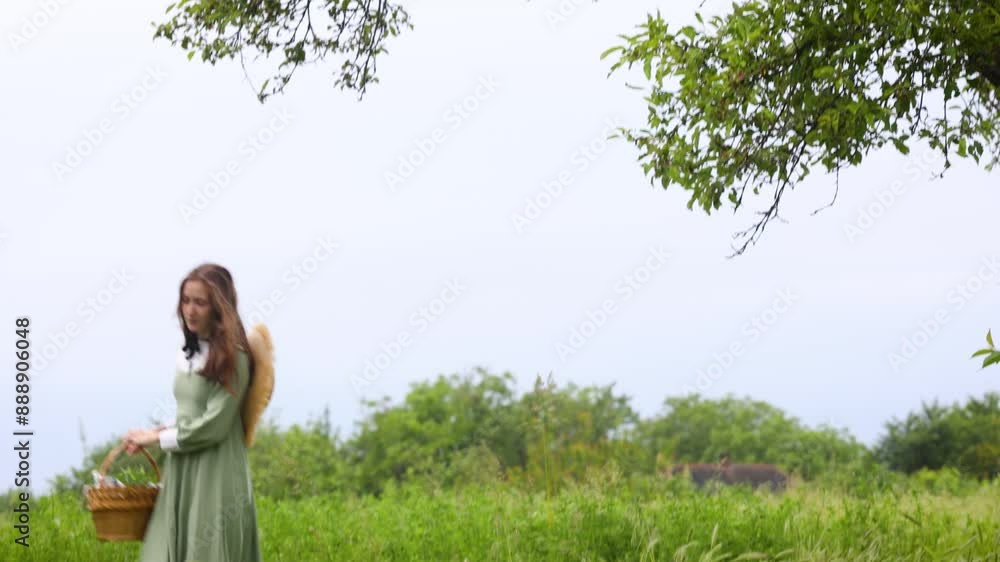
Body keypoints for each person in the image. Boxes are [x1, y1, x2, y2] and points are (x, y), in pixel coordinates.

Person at [122, 263, 262, 562]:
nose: (190, 310)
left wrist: (155, 440)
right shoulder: (188, 353)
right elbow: (191, 414)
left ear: (219, 307)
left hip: (216, 471)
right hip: (183, 465)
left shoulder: (235, 357)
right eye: (186, 301)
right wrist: (155, 431)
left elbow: (213, 426)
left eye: (200, 302)